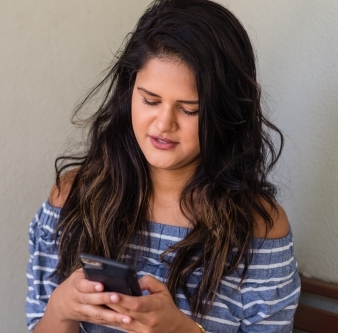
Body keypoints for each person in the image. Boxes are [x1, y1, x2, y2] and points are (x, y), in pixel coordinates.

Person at [25, 0, 301, 332]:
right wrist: (60, 311)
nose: (163, 123)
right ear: (129, 94)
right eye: (150, 100)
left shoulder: (259, 228)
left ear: (226, 113)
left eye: (189, 109)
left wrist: (179, 329)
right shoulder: (72, 198)